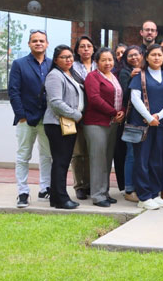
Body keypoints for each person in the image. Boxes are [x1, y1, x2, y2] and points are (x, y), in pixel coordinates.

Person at [129, 44, 163, 210]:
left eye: (160, 55)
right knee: (142, 160)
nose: (157, 58)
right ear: (147, 57)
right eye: (153, 55)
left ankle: (155, 194)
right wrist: (149, 118)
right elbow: (135, 98)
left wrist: (159, 116)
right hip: (143, 125)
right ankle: (143, 196)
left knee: (157, 160)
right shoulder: (140, 76)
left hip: (160, 124)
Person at [8, 29, 53, 208]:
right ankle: (23, 192)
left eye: (41, 40)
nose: (38, 43)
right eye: (35, 41)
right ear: (29, 44)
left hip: (47, 118)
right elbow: (13, 91)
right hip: (26, 119)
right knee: (23, 156)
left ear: (47, 44)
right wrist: (21, 116)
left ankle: (45, 188)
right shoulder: (19, 64)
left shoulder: (52, 64)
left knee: (46, 155)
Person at [82, 48, 125, 207]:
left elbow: (120, 97)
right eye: (103, 60)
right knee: (98, 159)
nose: (108, 63)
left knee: (107, 159)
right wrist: (114, 112)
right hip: (96, 123)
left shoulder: (113, 76)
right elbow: (94, 99)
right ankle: (97, 195)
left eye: (110, 60)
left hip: (112, 123)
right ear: (96, 62)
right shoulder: (92, 76)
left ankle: (104, 192)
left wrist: (122, 112)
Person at [43, 45, 84, 210]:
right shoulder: (54, 75)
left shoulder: (71, 74)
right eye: (64, 57)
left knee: (62, 161)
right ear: (55, 60)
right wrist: (76, 114)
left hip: (68, 124)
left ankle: (55, 198)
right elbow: (55, 102)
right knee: (61, 162)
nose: (68, 60)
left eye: (70, 56)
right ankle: (61, 199)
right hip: (57, 124)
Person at [69, 35, 96, 201]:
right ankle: (79, 186)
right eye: (82, 46)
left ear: (93, 49)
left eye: (88, 46)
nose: (86, 49)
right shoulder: (71, 67)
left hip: (96, 114)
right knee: (78, 152)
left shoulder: (99, 65)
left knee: (93, 152)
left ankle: (91, 184)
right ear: (77, 50)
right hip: (78, 114)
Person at [116, 46, 142, 202]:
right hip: (132, 119)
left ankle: (140, 186)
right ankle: (129, 188)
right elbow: (124, 96)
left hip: (147, 118)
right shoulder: (125, 73)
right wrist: (132, 78)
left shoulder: (146, 71)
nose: (134, 58)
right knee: (131, 154)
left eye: (136, 54)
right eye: (130, 55)